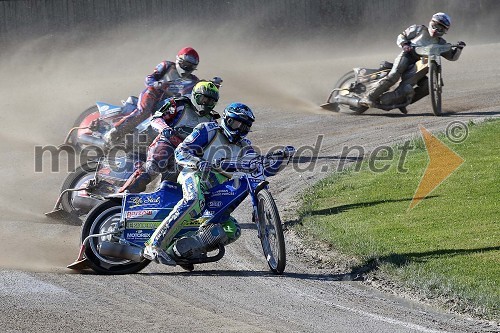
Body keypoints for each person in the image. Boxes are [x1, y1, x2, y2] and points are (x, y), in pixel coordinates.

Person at [141, 103, 259, 266]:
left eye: (244, 127)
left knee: (233, 230)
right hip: (193, 174)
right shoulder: (208, 129)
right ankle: (154, 245)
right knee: (195, 200)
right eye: (236, 123)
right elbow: (180, 152)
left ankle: (180, 251)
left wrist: (256, 206)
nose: (239, 129)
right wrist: (198, 162)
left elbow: (255, 173)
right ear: (226, 119)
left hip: (217, 190)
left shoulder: (246, 147)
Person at [118, 81, 220, 193]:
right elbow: (156, 118)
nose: (206, 103)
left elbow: (212, 141)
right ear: (195, 95)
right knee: (153, 166)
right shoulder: (179, 104)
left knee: (180, 182)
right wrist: (164, 128)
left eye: (210, 101)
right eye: (204, 99)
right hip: (168, 142)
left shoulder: (212, 120)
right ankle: (124, 192)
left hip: (187, 153)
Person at [360, 12, 466, 112]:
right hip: (408, 56)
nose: (436, 30)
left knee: (426, 86)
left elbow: (452, 57)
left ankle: (403, 102)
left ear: (445, 31)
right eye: (435, 25)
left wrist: (459, 49)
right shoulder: (418, 29)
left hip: (422, 65)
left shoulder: (441, 44)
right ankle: (368, 97)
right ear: (431, 22)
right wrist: (404, 44)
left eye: (440, 29)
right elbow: (401, 36)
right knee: (394, 76)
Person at [104, 47, 201, 145]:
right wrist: (157, 84)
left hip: (169, 103)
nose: (187, 68)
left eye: (191, 67)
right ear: (179, 60)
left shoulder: (194, 80)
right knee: (144, 112)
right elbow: (149, 78)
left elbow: (201, 90)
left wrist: (214, 84)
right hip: (153, 93)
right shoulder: (167, 66)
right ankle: (115, 131)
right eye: (185, 64)